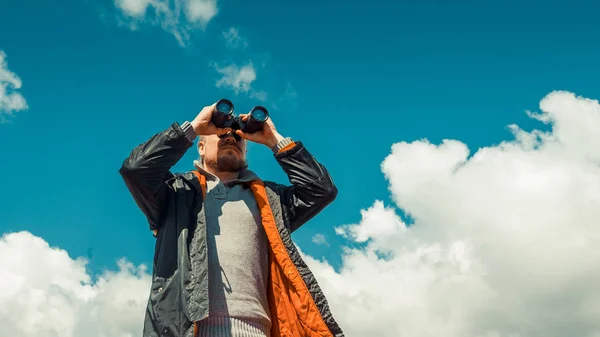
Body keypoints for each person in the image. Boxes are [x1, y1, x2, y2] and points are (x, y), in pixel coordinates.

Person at [119, 101, 345, 337]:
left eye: (237, 137)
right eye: (221, 134)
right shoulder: (175, 195)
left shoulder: (270, 201)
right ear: (201, 147)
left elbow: (322, 190)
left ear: (247, 150)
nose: (230, 138)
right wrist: (193, 128)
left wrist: (274, 139)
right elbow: (136, 170)